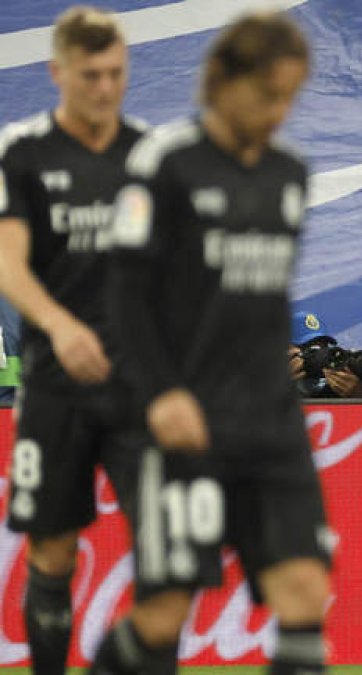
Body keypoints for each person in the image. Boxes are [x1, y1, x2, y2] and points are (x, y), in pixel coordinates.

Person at [90, 13, 332, 675]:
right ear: (224, 81)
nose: (278, 112)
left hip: (272, 427)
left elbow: (265, 298)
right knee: (163, 615)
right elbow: (122, 298)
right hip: (186, 421)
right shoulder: (165, 163)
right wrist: (161, 393)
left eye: (289, 97)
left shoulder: (289, 172)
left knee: (305, 592)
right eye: (267, 94)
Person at [0, 8, 144, 674]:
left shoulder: (150, 157)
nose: (105, 87)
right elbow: (9, 264)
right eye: (90, 75)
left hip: (136, 387)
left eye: (115, 72)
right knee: (52, 554)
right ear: (57, 72)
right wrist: (60, 326)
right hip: (54, 387)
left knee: (167, 552)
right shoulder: (24, 154)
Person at [288, 310, 362, 398]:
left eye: (324, 347)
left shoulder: (335, 387)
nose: (318, 355)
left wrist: (359, 396)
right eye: (309, 349)